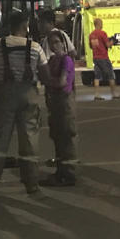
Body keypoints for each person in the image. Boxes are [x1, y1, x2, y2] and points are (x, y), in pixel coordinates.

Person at [0, 10, 50, 196]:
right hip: (28, 94)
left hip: (4, 94)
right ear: (25, 25)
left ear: (9, 26)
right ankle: (32, 183)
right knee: (29, 139)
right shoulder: (34, 47)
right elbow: (45, 74)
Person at [45, 31, 78, 185]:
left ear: (63, 43)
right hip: (54, 102)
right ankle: (60, 172)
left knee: (66, 137)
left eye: (57, 41)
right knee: (57, 137)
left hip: (64, 101)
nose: (54, 45)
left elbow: (62, 82)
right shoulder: (52, 60)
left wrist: (49, 81)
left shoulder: (66, 60)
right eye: (52, 42)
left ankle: (69, 174)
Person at [89, 17, 120, 100]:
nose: (102, 25)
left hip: (95, 57)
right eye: (101, 23)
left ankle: (97, 95)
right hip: (103, 57)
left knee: (97, 76)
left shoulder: (91, 35)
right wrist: (112, 42)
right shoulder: (102, 33)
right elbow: (108, 45)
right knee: (111, 75)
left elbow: (91, 46)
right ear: (99, 24)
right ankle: (114, 94)